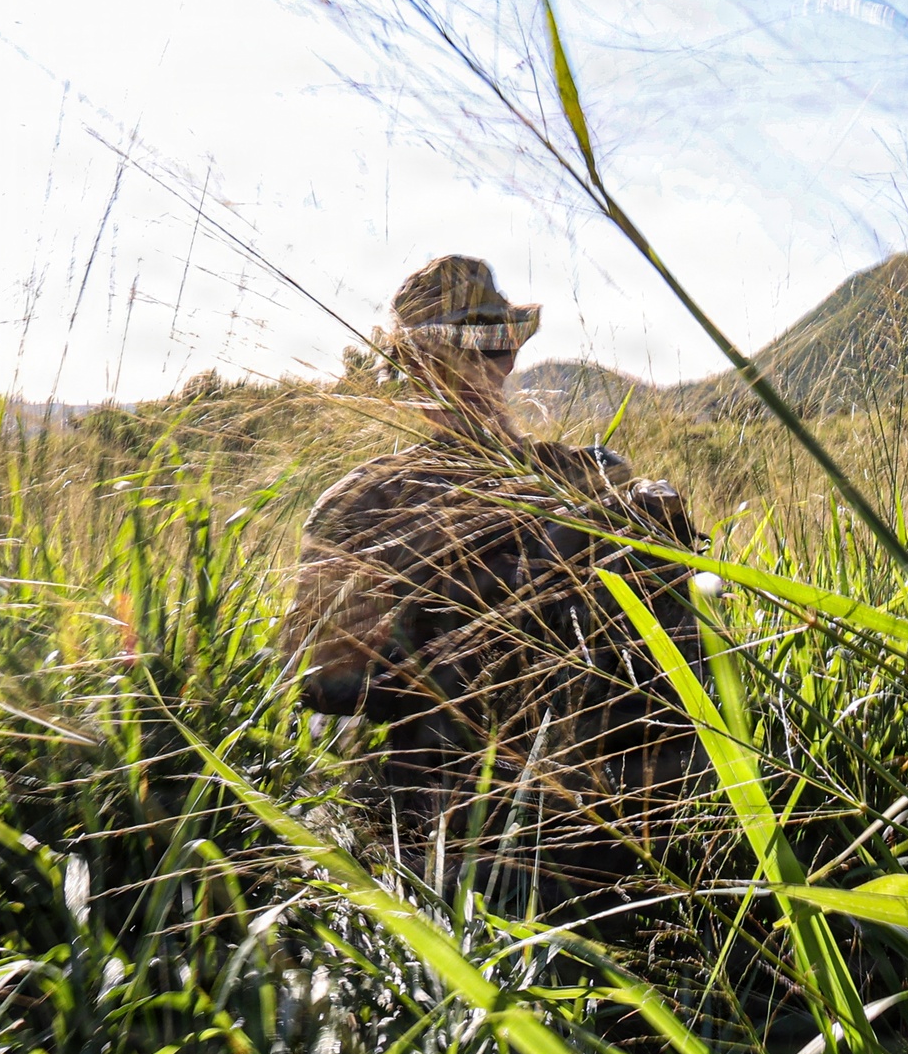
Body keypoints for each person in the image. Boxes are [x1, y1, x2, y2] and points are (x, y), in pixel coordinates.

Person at [282, 255, 703, 913]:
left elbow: (680, 656)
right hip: (450, 845)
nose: (479, 367)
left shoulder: (594, 478)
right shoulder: (363, 504)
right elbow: (322, 683)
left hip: (622, 837)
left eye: (492, 346)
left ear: (509, 356)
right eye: (459, 350)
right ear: (413, 366)